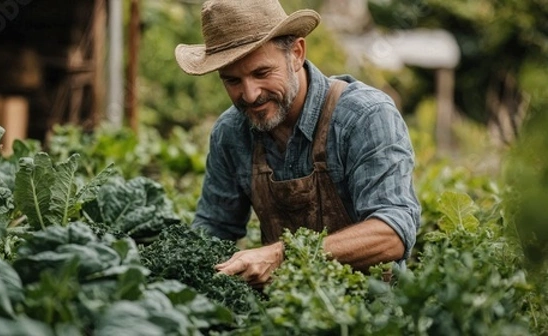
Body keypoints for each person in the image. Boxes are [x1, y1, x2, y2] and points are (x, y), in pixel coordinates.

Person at [175, 0, 421, 288]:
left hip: (372, 309)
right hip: (283, 313)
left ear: (296, 53)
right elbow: (214, 229)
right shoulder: (231, 132)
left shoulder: (364, 116)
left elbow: (392, 234)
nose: (250, 94)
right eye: (232, 81)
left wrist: (283, 255)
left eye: (261, 73)